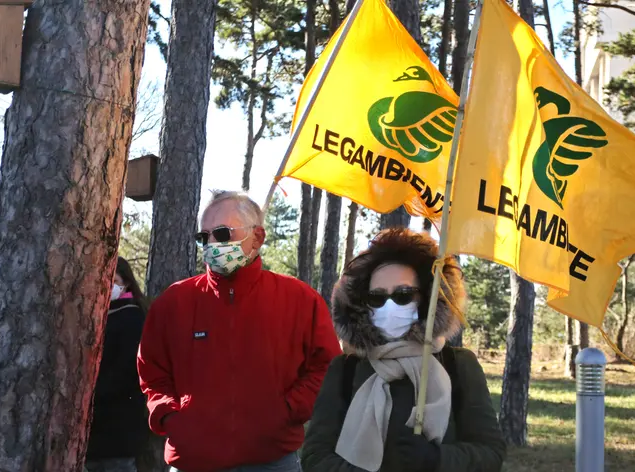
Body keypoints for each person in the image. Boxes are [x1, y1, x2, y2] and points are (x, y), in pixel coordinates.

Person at [137, 190, 342, 472]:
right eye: (203, 237)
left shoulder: (300, 299)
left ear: (257, 237)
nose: (211, 243)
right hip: (192, 462)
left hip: (272, 460)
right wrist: (172, 417)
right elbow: (152, 373)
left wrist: (287, 410)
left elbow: (327, 367)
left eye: (222, 234)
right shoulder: (174, 302)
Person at [301, 228, 506, 472]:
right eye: (377, 298)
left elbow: (490, 452)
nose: (389, 306)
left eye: (403, 295)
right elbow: (315, 455)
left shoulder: (458, 365)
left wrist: (436, 459)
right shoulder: (346, 369)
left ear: (426, 299)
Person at [85, 257, 150, 472]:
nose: (107, 283)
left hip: (119, 428)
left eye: (113, 278)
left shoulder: (132, 317)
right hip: (95, 431)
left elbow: (127, 370)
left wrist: (92, 394)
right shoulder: (98, 316)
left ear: (126, 283)